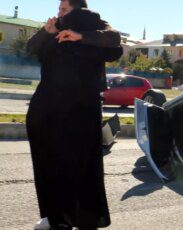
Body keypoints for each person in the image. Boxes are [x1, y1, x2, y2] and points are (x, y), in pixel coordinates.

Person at [26, 0, 123, 229]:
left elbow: (115, 40)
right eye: (59, 9)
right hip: (48, 107)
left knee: (78, 164)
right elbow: (31, 48)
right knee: (48, 163)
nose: (59, 14)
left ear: (80, 11)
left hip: (81, 110)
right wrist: (45, 32)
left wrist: (80, 36)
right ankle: (55, 215)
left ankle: (81, 216)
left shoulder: (95, 30)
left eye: (65, 10)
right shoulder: (54, 32)